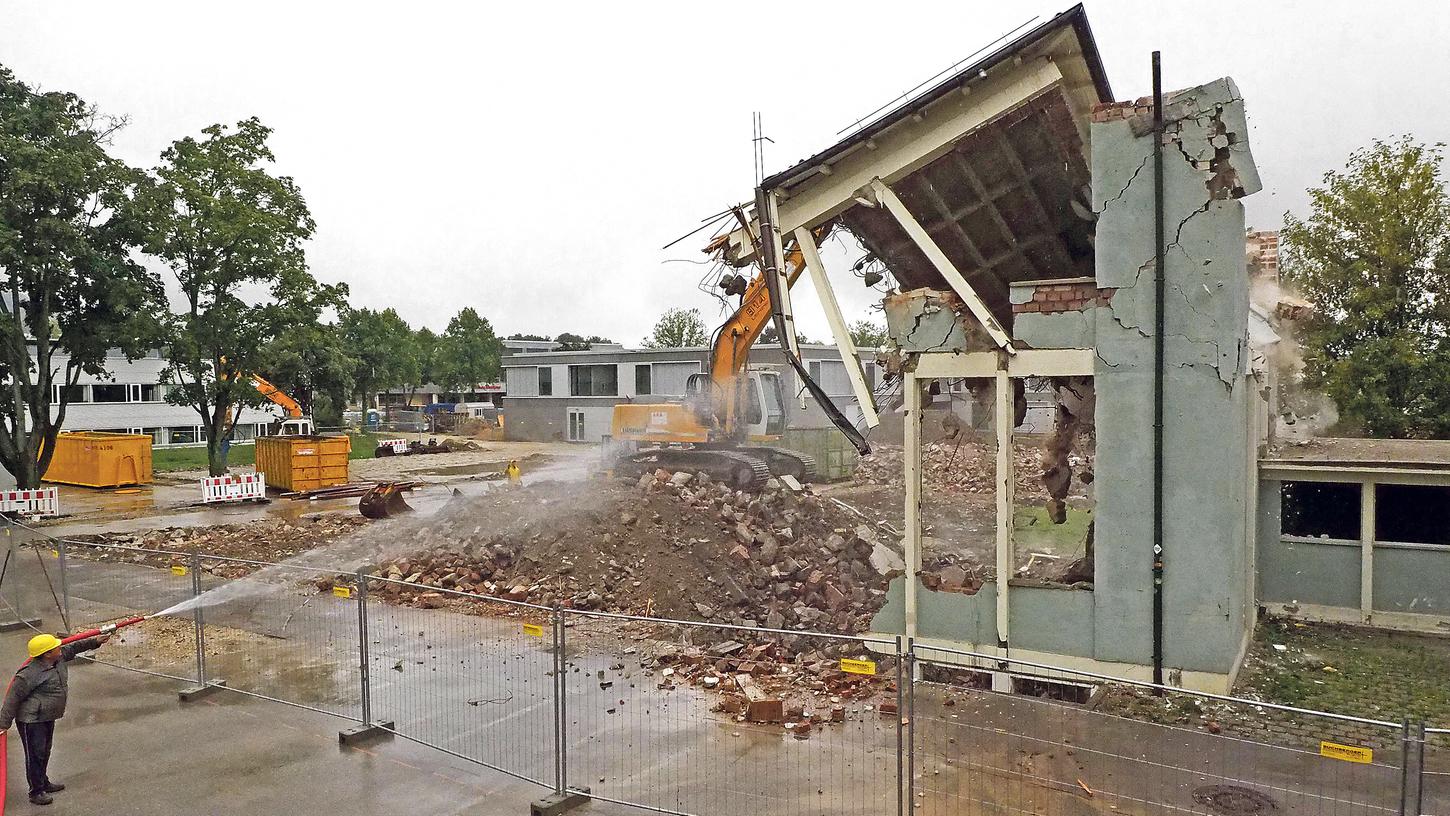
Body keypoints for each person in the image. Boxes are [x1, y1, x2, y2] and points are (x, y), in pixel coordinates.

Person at [0, 631, 109, 805]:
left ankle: (43, 782)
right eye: (55, 647)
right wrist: (3, 724)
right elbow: (12, 699)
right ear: (47, 653)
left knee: (45, 751)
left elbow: (75, 647)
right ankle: (35, 792)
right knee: (35, 754)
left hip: (47, 716)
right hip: (31, 720)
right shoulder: (28, 674)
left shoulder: (58, 658)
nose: (60, 647)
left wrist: (96, 641)